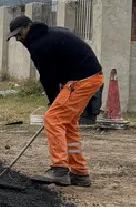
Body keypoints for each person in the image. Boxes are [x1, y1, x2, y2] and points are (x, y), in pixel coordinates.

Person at [6, 15, 104, 187]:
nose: (18, 39)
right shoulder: (48, 34)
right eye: (15, 36)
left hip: (83, 78)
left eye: (18, 34)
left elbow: (48, 78)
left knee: (53, 118)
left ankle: (59, 169)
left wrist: (53, 101)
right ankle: (79, 173)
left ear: (26, 28)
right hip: (89, 76)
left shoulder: (39, 45)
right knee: (68, 123)